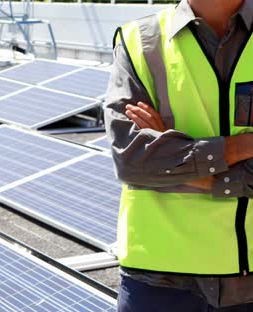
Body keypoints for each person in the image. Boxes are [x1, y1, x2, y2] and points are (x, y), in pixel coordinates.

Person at [104, 0, 253, 310]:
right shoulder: (140, 41)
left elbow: (152, 165)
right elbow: (133, 160)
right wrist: (239, 147)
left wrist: (180, 164)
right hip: (159, 279)